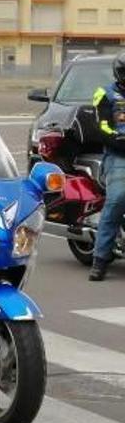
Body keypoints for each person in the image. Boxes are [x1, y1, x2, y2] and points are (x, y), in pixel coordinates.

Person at [89, 52, 125, 281]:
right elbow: (101, 127)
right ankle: (100, 259)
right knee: (118, 199)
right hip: (118, 156)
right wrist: (120, 141)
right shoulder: (105, 93)